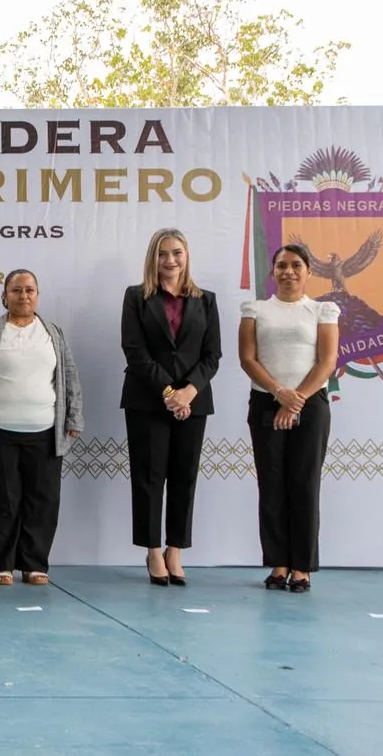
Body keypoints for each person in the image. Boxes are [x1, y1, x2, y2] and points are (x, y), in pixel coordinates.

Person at [0, 269, 83, 586]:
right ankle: (2, 564)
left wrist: (74, 418)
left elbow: (69, 378)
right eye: (17, 290)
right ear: (5, 296)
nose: (24, 295)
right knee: (2, 499)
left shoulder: (53, 333)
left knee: (42, 500)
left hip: (45, 432)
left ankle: (34, 564)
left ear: (37, 295)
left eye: (30, 290)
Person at [120, 228, 221, 587]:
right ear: (153, 258)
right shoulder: (136, 297)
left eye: (177, 252)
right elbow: (134, 350)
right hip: (147, 400)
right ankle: (151, 550)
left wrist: (187, 393)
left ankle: (175, 549)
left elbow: (213, 356)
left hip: (193, 403)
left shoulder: (206, 300)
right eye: (163, 253)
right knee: (148, 478)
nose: (170, 260)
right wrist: (168, 391)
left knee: (184, 477)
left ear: (186, 255)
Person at [238, 243, 339, 593]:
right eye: (281, 265)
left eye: (296, 265)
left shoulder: (322, 310)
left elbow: (326, 361)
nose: (289, 271)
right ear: (273, 272)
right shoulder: (255, 309)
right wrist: (279, 393)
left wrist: (295, 401)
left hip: (310, 406)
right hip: (266, 403)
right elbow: (248, 358)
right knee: (272, 484)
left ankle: (302, 567)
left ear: (309, 271)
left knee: (304, 484)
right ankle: (278, 564)